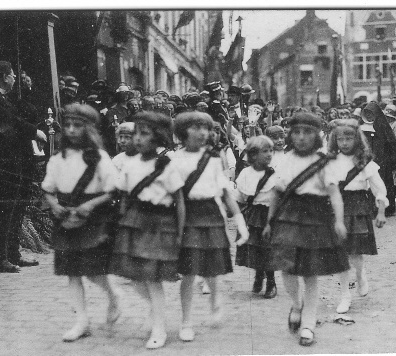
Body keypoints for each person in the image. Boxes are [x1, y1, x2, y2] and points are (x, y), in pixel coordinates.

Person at [262, 112, 348, 346]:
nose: (301, 138)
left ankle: (308, 324)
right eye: (297, 132)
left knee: (311, 273)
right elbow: (276, 193)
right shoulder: (285, 159)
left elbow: (335, 194)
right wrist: (270, 221)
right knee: (286, 268)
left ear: (317, 135)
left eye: (307, 133)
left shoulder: (324, 160)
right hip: (288, 216)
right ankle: (296, 303)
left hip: (316, 217)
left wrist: (339, 221)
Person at [42, 103, 121, 342]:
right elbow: (47, 188)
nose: (71, 130)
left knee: (95, 272)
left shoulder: (100, 157)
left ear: (89, 129)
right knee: (72, 273)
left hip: (92, 217)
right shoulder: (58, 158)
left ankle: (113, 295)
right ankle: (82, 321)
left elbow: (112, 190)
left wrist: (90, 205)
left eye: (77, 125)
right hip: (66, 216)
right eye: (67, 126)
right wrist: (54, 204)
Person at [111, 112, 185, 349]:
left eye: (145, 133)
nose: (138, 139)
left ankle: (159, 327)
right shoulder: (129, 163)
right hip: (134, 222)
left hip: (159, 223)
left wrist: (180, 232)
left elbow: (179, 201)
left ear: (158, 137)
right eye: (136, 134)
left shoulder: (167, 166)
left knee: (152, 278)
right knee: (135, 277)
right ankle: (157, 310)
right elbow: (123, 194)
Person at [173, 112, 249, 343]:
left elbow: (226, 193)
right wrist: (176, 231)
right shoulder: (175, 160)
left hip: (212, 216)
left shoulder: (214, 160)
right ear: (183, 132)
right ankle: (186, 321)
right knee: (188, 273)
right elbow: (177, 198)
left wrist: (240, 224)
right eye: (196, 127)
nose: (202, 132)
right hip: (188, 217)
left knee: (214, 268)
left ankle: (215, 301)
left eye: (205, 128)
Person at [0, 60, 46, 273]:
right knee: (3, 209)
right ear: (3, 77)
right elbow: (9, 124)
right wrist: (34, 131)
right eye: (12, 74)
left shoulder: (0, 98)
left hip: (12, 162)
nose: (15, 78)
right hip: (2, 162)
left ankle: (12, 254)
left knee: (13, 208)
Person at [326, 119, 388, 314]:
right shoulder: (329, 161)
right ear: (334, 140)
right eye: (340, 139)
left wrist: (381, 211)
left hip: (357, 207)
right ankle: (345, 295)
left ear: (357, 139)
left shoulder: (364, 162)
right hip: (336, 208)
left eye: (349, 138)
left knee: (355, 253)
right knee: (339, 253)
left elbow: (379, 188)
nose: (344, 143)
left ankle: (361, 276)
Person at [235, 136, 278, 299]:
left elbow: (277, 198)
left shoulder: (273, 174)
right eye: (264, 151)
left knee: (267, 248)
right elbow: (239, 196)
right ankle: (259, 275)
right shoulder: (246, 173)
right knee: (255, 247)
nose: (269, 154)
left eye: (271, 151)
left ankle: (271, 281)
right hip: (251, 214)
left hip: (268, 214)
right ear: (253, 155)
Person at [359, 102, 396, 216]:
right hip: (368, 158)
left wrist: (391, 159)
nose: (369, 116)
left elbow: (391, 143)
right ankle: (371, 208)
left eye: (371, 114)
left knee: (382, 182)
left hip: (382, 159)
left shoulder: (382, 126)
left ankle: (386, 208)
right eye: (367, 114)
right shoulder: (361, 126)